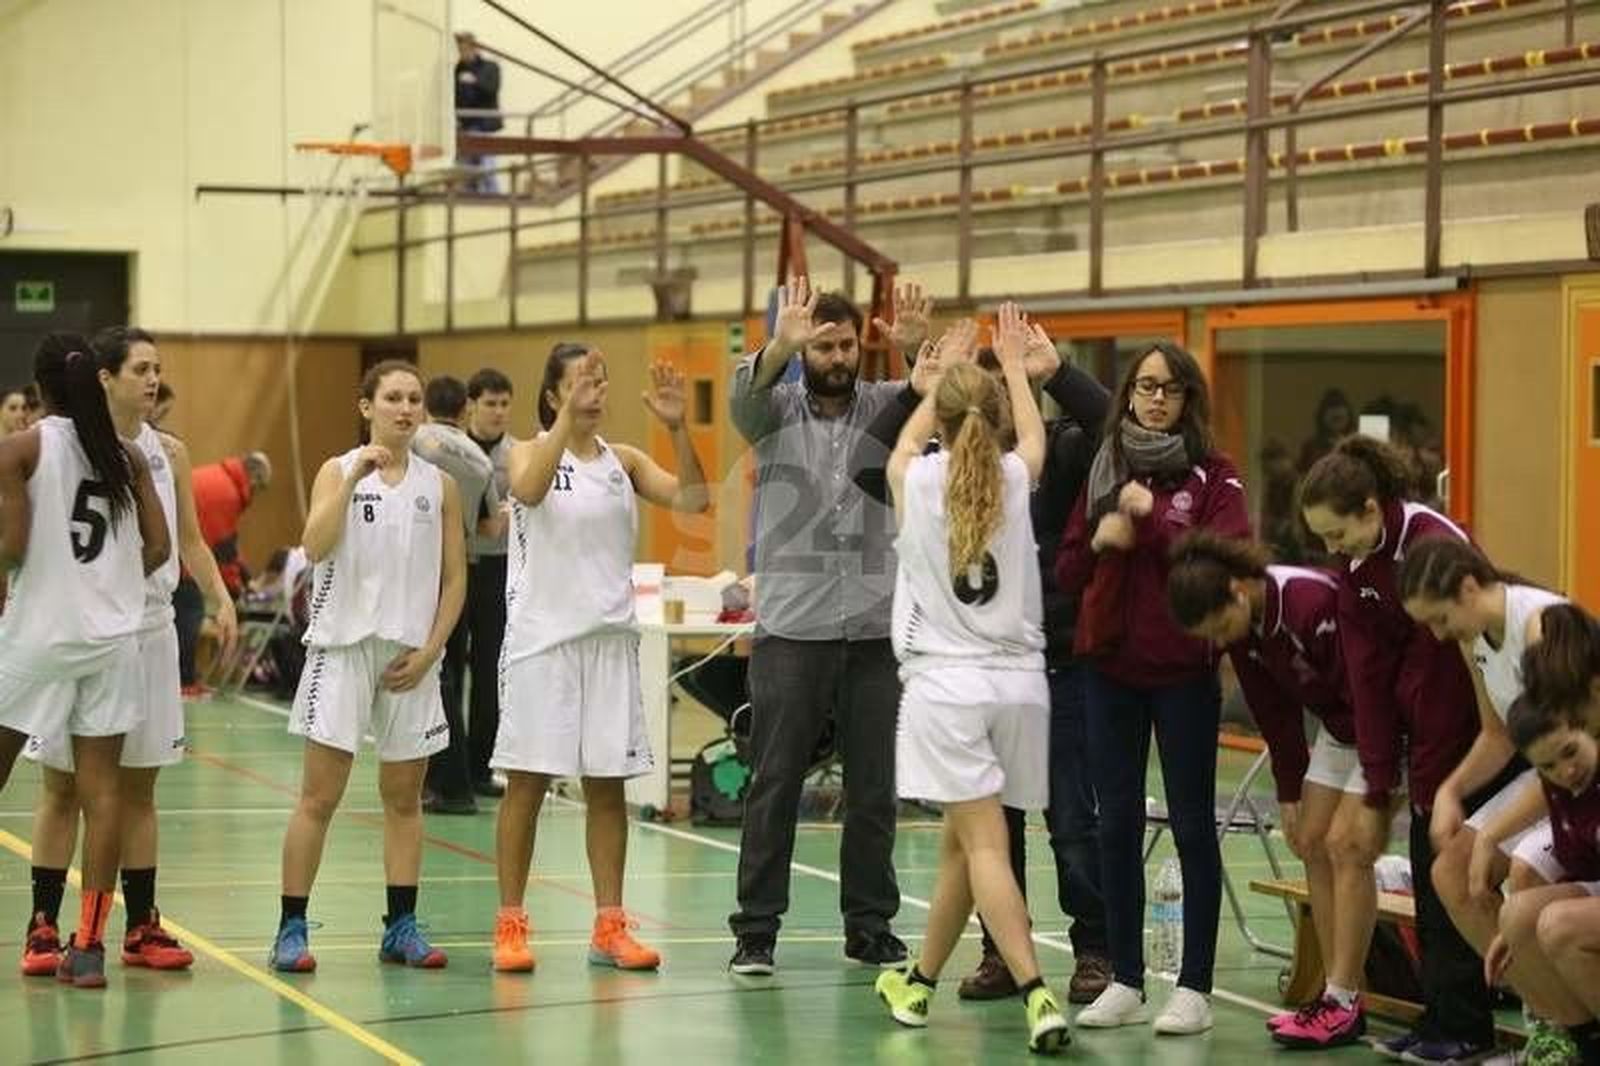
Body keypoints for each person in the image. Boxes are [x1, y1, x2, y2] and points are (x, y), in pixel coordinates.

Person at [850, 313, 1113, 1003]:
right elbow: (1028, 436)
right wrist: (1024, 375)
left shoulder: (922, 480)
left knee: (989, 843)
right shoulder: (1017, 474)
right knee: (968, 848)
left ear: (943, 415)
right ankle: (920, 979)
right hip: (1022, 682)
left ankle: (1033, 986)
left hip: (954, 683)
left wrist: (927, 386)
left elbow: (883, 458)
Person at [21, 327, 239, 981]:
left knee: (139, 790)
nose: (152, 380)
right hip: (81, 634)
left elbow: (189, 541)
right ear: (104, 378)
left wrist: (220, 599)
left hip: (147, 634)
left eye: (158, 369)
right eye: (140, 368)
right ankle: (43, 926)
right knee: (63, 787)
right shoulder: (67, 447)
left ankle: (138, 924)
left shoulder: (167, 452)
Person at [726, 276, 923, 975]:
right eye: (823, 345)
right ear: (805, 349)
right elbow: (740, 402)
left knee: (874, 789)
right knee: (774, 781)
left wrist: (918, 349)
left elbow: (934, 402)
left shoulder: (885, 404)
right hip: (791, 631)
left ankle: (869, 925)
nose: (837, 356)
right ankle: (755, 931)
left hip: (875, 629)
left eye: (845, 345)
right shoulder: (774, 410)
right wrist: (779, 343)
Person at [491, 345, 708, 973]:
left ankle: (610, 925)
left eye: (601, 378)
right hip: (542, 645)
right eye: (582, 380)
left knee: (607, 789)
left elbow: (694, 499)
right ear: (554, 394)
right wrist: (566, 418)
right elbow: (528, 490)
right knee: (527, 786)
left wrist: (675, 427)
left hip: (609, 643)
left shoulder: (626, 461)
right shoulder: (528, 451)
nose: (597, 387)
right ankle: (511, 924)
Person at [1299, 436, 1501, 1063]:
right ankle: (1441, 1018)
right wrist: (1379, 782)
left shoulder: (1430, 544)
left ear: (1369, 508)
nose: (1333, 551)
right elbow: (1369, 683)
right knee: (1431, 883)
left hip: (1479, 744)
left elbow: (1445, 682)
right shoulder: (1355, 571)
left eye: (1338, 533)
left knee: (1457, 882)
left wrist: (1433, 783)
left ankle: (1470, 1027)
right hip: (1428, 754)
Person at [268, 360, 466, 973]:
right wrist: (353, 477)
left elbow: (455, 577)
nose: (405, 409)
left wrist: (432, 648)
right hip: (343, 648)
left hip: (411, 655)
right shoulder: (338, 469)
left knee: (404, 799)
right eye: (392, 398)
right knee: (318, 799)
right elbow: (315, 543)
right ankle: (291, 928)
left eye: (414, 400)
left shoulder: (441, 485)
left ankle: (400, 925)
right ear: (367, 407)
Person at [0, 332, 170, 988]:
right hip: (113, 641)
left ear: (38, 388)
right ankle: (91, 946)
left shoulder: (20, 447)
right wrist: (111, 588)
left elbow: (12, 547)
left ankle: (49, 926)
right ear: (94, 381)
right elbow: (158, 549)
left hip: (40, 637)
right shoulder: (126, 454)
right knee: (104, 796)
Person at [1166, 533, 1373, 1048]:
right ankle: (1337, 992)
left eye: (1219, 625)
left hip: (1383, 720)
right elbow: (1274, 714)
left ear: (1238, 591)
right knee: (1307, 839)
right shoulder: (1242, 631)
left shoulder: (1307, 603)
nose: (1220, 638)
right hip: (1340, 726)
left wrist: (1380, 771)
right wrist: (1289, 792)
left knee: (1346, 845)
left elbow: (1368, 685)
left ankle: (1343, 998)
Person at [1397, 536, 1578, 1061]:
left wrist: (1494, 834)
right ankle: (1553, 1018)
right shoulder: (1473, 636)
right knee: (1450, 874)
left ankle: (1575, 1024)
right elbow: (1498, 736)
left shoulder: (1542, 626)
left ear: (1469, 587)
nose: (1436, 633)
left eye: (1439, 618)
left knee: (1521, 875)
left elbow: (1570, 753)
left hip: (1580, 775)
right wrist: (1451, 791)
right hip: (1550, 777)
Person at [1483, 695, 1600, 1066]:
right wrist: (1514, 933)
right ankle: (1588, 1046)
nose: (1565, 771)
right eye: (1548, 766)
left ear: (1587, 726)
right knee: (1517, 916)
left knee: (1558, 926)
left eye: (1570, 752)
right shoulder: (1563, 788)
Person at [412, 374, 498, 816]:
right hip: (462, 570)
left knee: (434, 678)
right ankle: (453, 778)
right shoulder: (479, 460)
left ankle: (450, 783)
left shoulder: (414, 441)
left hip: (421, 571)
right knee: (454, 677)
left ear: (425, 404)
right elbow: (491, 526)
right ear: (465, 407)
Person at [181, 448, 270, 694]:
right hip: (183, 563)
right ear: (254, 479)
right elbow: (222, 546)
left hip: (179, 554)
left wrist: (245, 576)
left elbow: (228, 544)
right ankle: (184, 682)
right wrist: (233, 591)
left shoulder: (219, 478)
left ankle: (184, 678)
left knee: (184, 613)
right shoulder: (229, 494)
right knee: (190, 613)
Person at [465, 367, 515, 797]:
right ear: (471, 406)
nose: (498, 412)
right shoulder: (454, 451)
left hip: (499, 571)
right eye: (490, 404)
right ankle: (446, 767)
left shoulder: (518, 456)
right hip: (457, 566)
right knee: (445, 668)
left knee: (488, 669)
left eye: (504, 404)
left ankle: (480, 765)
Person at [454, 32, 503, 195]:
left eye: (466, 50)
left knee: (488, 168)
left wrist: (474, 81)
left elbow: (492, 88)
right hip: (466, 125)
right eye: (460, 50)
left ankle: (495, 197)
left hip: (485, 125)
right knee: (468, 171)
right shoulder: (457, 70)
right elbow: (454, 97)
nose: (463, 54)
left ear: (474, 49)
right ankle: (471, 197)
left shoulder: (490, 67)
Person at [1297, 388, 1355, 473]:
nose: (1336, 412)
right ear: (1321, 416)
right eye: (1331, 407)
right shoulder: (1310, 447)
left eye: (1340, 407)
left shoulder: (1361, 445)